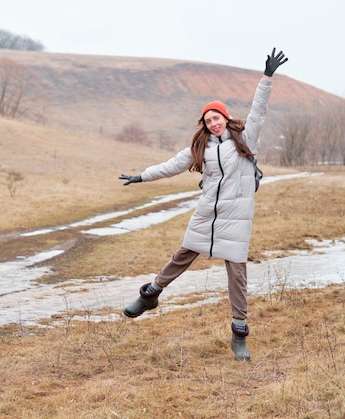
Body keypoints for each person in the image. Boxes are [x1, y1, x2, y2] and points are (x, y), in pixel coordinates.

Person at [118, 48, 288, 362]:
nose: (214, 123)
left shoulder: (246, 138)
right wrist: (141, 177)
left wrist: (266, 77)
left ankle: (239, 335)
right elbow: (170, 165)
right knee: (182, 255)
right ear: (205, 124)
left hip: (236, 219)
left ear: (226, 117)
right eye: (208, 120)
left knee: (237, 275)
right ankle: (150, 295)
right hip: (207, 214)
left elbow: (260, 109)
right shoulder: (200, 147)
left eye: (217, 117)